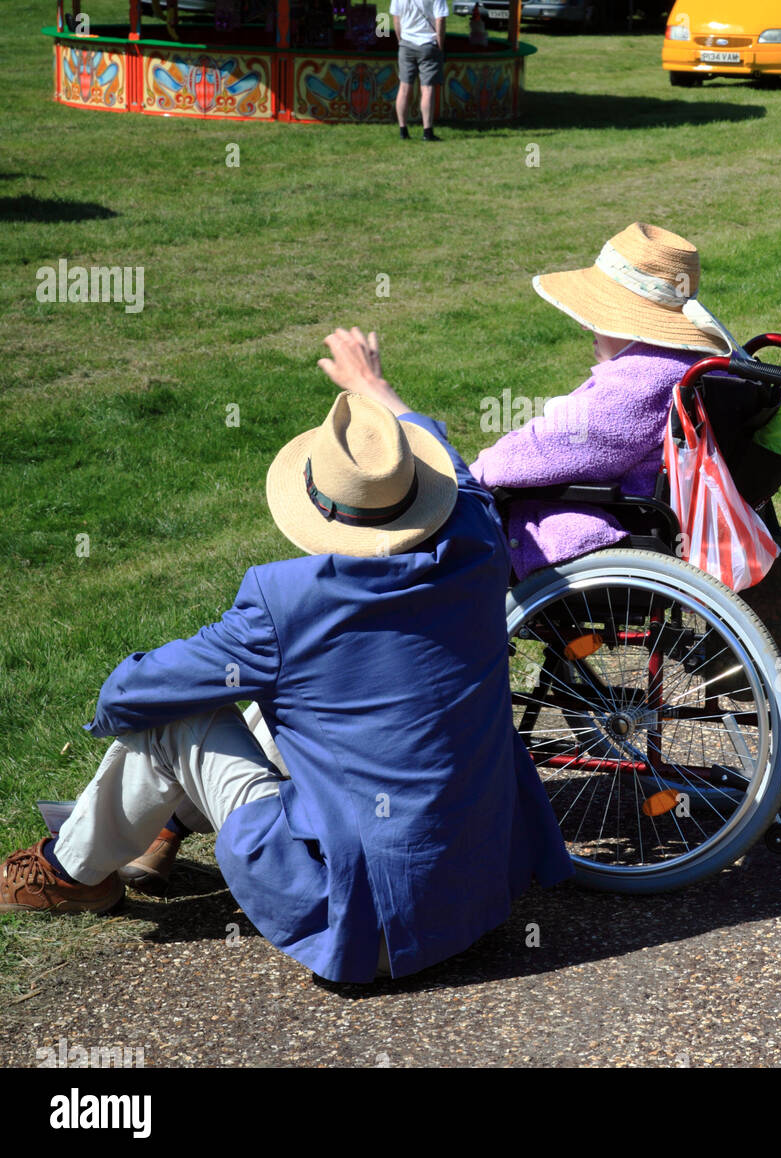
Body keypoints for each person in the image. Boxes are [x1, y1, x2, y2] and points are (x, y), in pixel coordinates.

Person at [0, 358, 573, 985]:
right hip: (479, 901)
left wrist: (111, 705)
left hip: (365, 931)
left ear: (318, 506)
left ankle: (68, 873)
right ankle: (161, 831)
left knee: (174, 720)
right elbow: (457, 472)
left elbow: (136, 693)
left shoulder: (288, 600)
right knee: (279, 698)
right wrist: (379, 398)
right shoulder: (480, 537)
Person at [468, 222, 736, 581]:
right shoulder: (689, 367)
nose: (585, 327)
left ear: (630, 320)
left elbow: (548, 450)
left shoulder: (643, 380)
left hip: (608, 529)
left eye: (598, 317)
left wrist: (476, 472)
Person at [390, 0, 449, 142]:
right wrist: (440, 44)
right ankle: (427, 131)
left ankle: (403, 129)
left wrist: (400, 40)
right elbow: (440, 19)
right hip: (427, 43)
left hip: (406, 42)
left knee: (404, 87)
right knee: (427, 88)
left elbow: (395, 18)